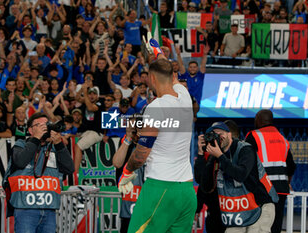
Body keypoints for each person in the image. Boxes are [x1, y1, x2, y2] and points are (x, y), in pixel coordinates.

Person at [118, 37, 196, 233]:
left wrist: (127, 172)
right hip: (186, 190)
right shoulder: (184, 95)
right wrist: (157, 52)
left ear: (151, 79)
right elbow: (172, 73)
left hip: (161, 187)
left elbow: (141, 153)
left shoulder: (157, 107)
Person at [200, 122, 278, 233]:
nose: (217, 137)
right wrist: (204, 155)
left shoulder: (245, 149)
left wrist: (220, 156)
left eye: (220, 133)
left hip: (260, 206)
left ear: (229, 134)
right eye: (213, 135)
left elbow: (240, 175)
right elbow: (206, 187)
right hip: (238, 211)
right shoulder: (217, 155)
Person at [4, 112, 74, 233]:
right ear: (31, 130)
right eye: (39, 125)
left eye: (46, 124)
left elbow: (69, 169)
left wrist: (59, 144)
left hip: (49, 208)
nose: (44, 127)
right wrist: (35, 139)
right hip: (25, 208)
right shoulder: (21, 144)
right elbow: (20, 162)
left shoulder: (53, 148)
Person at [245, 109, 296, 233]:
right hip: (281, 190)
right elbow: (291, 166)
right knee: (275, 226)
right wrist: (287, 182)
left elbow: (246, 163)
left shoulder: (253, 136)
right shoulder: (282, 139)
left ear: (259, 119)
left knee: (258, 226)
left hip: (262, 190)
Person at [113, 115, 144, 233]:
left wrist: (144, 141)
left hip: (146, 202)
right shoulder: (127, 144)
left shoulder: (152, 144)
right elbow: (116, 163)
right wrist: (128, 137)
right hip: (128, 204)